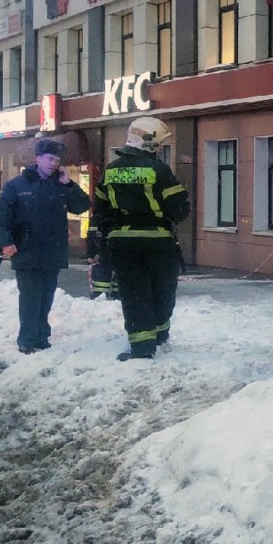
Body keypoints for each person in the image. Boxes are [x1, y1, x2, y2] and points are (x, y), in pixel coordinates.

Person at [93, 117, 190, 361]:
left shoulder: (111, 170)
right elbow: (179, 210)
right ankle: (159, 335)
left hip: (122, 243)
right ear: (150, 142)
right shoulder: (158, 170)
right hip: (158, 242)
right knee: (162, 289)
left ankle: (141, 345)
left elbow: (101, 209)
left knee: (134, 293)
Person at [0, 138, 92, 354]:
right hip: (26, 250)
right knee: (30, 297)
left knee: (46, 296)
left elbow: (83, 205)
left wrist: (69, 184)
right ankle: (27, 339)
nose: (53, 163)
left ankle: (41, 337)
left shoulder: (60, 185)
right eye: (49, 158)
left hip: (52, 251)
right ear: (37, 158)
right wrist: (6, 242)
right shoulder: (16, 186)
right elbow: (0, 217)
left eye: (57, 160)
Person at [85, 226, 119, 300]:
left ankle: (101, 300)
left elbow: (93, 234)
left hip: (106, 254)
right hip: (117, 253)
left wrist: (91, 253)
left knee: (104, 283)